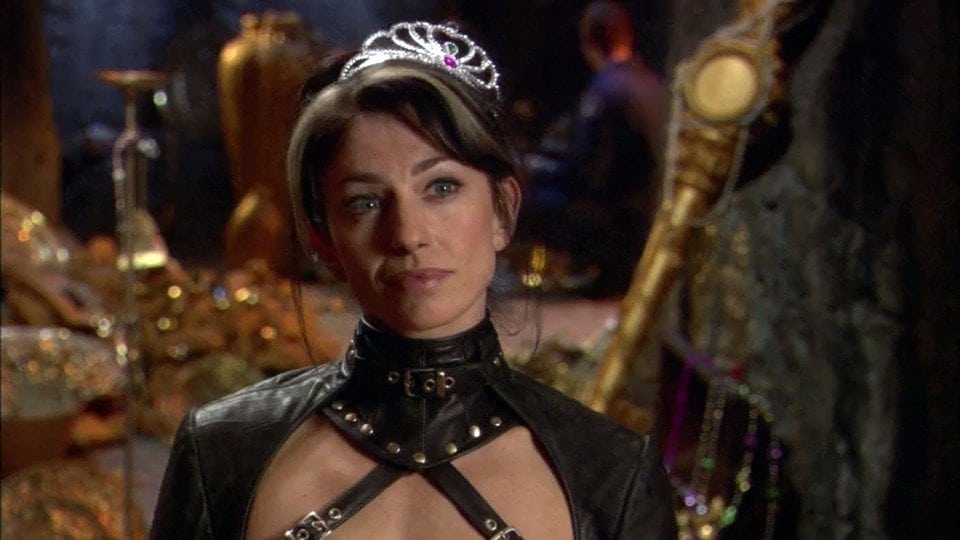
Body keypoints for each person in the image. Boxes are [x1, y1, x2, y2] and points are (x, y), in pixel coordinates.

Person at [150, 20, 677, 539]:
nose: (407, 234)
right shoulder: (225, 451)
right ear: (323, 242)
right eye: (365, 202)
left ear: (503, 210)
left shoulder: (610, 476)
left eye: (441, 188)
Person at [526, 1, 666, 297]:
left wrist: (535, 169)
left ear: (589, 42)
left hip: (618, 217)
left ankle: (599, 267)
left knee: (520, 199)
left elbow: (586, 168)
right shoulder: (650, 81)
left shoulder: (605, 89)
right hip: (649, 208)